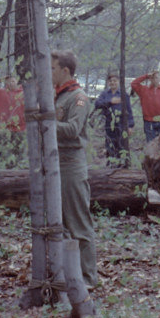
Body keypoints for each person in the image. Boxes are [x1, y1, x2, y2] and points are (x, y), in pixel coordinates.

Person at [51, 49, 97, 288]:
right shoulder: (57, 96)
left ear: (65, 70)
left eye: (52, 69)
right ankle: (68, 275)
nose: (49, 73)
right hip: (55, 164)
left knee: (78, 223)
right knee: (60, 224)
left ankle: (87, 278)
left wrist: (46, 121)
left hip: (71, 165)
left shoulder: (78, 97)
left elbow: (72, 129)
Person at [94, 72, 134, 168]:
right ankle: (111, 163)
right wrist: (110, 102)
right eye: (110, 81)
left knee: (121, 143)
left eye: (114, 81)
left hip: (121, 123)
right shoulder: (105, 94)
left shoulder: (124, 94)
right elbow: (97, 104)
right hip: (109, 123)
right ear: (108, 82)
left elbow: (129, 110)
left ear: (118, 82)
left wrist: (130, 126)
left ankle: (122, 164)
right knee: (109, 143)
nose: (112, 82)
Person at [0, 75, 26, 162]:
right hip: (5, 129)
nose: (11, 83)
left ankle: (20, 168)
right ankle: (7, 169)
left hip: (21, 128)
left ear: (17, 82)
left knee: (21, 154)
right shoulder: (0, 93)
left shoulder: (23, 93)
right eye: (8, 81)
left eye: (13, 81)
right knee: (6, 154)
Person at [130, 70, 160, 144]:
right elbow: (133, 84)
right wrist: (146, 76)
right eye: (152, 78)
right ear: (150, 79)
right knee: (151, 144)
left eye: (156, 77)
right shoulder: (144, 90)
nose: (154, 80)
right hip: (149, 122)